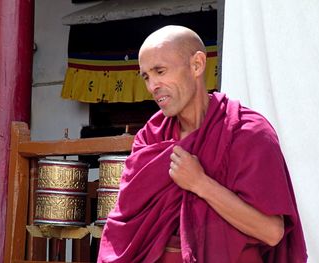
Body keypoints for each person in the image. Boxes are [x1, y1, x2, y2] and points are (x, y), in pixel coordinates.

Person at [97, 25, 307, 263]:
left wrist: (200, 183)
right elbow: (125, 226)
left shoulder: (247, 132)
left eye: (160, 71)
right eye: (146, 76)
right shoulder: (151, 137)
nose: (152, 86)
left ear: (197, 64)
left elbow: (272, 232)